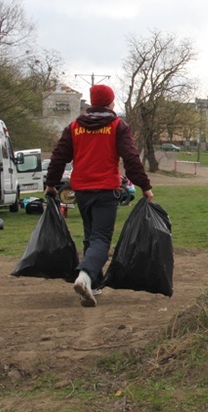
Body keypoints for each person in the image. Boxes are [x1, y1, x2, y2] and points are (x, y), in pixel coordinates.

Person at [45, 84, 154, 307]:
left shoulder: (75, 127)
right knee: (101, 239)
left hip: (82, 191)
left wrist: (51, 184)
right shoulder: (117, 126)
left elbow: (58, 157)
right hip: (105, 190)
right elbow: (131, 159)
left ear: (92, 103)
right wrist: (145, 186)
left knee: (90, 236)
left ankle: (93, 284)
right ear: (110, 102)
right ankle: (84, 277)